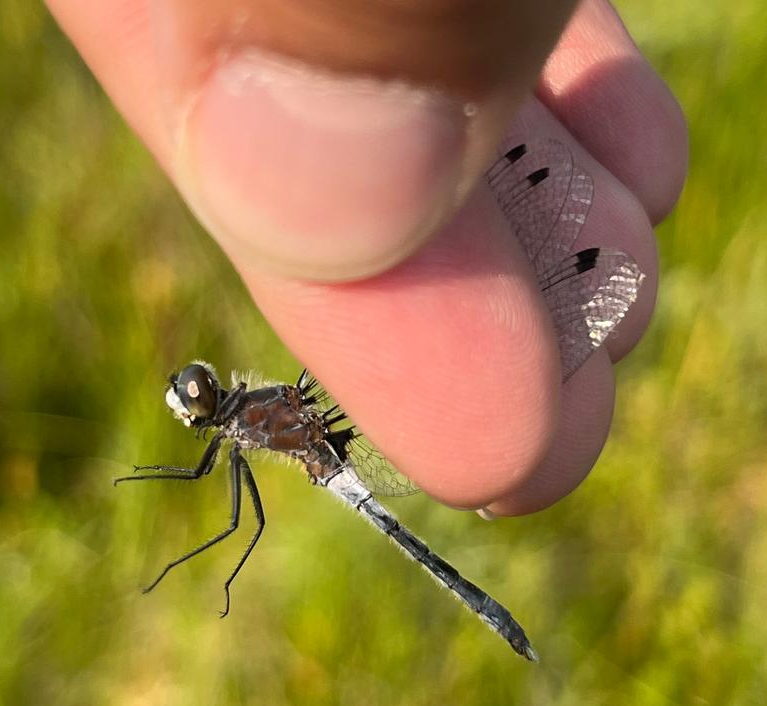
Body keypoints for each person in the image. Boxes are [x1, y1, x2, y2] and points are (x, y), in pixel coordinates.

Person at [46, 0, 687, 516]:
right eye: (194, 395)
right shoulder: (247, 421)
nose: (192, 398)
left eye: (193, 393)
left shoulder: (248, 418)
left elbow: (229, 507)